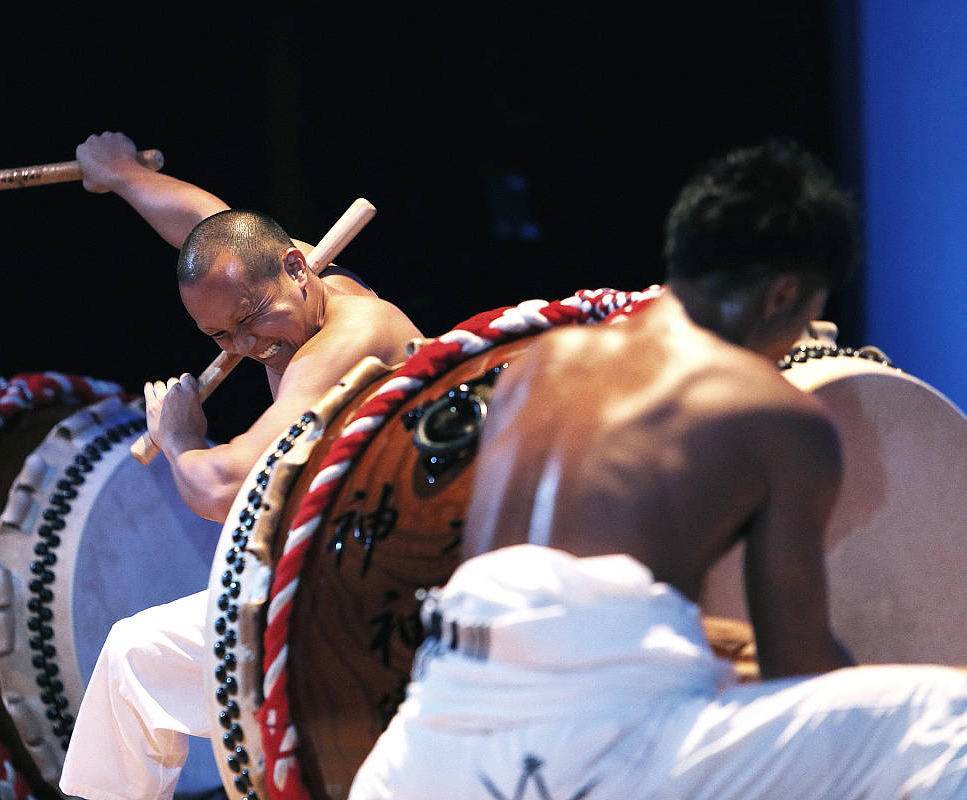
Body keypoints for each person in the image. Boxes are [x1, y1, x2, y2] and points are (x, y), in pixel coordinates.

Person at [349, 140, 967, 799]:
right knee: (950, 724)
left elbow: (547, 608)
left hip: (420, 753)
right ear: (784, 294)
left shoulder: (535, 369)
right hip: (601, 757)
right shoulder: (773, 410)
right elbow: (800, 664)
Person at [59, 132, 424, 799]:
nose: (246, 346)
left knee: (135, 659)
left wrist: (178, 436)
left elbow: (226, 487)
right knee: (133, 659)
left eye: (251, 318)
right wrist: (120, 173)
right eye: (221, 336)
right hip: (336, 568)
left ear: (294, 267)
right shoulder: (292, 284)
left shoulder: (345, 339)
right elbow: (203, 224)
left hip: (380, 587)